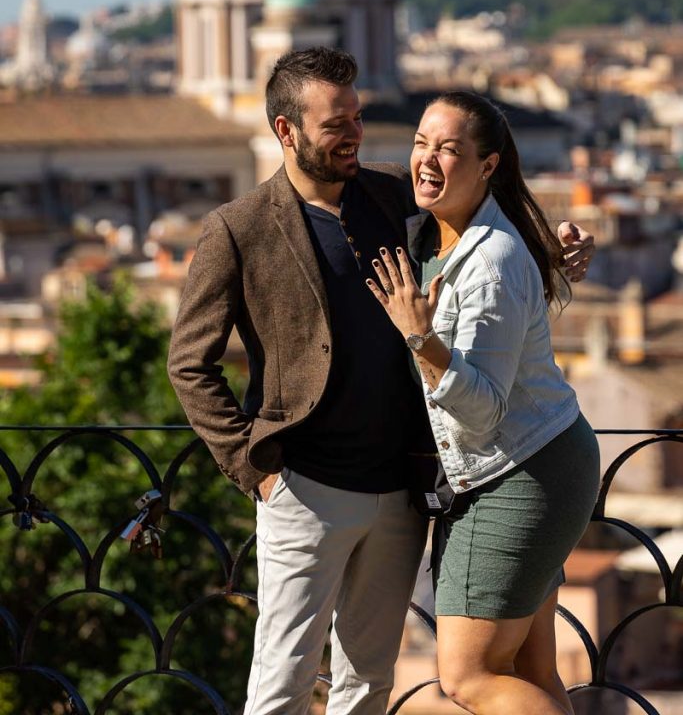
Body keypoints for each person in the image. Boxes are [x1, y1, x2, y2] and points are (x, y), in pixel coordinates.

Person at [167, 49, 595, 715]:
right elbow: (189, 364)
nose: (354, 135)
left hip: (400, 488)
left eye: (357, 118)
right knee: (281, 680)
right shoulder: (237, 229)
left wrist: (552, 248)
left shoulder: (389, 192)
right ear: (287, 131)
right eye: (336, 124)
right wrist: (254, 467)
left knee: (367, 680)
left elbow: (476, 214)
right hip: (305, 489)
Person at [366, 90, 600, 715]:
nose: (427, 160)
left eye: (448, 149)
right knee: (530, 667)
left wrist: (422, 339)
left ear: (489, 165)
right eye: (421, 143)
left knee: (466, 677)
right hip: (542, 460)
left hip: (515, 474)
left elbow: (482, 410)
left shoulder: (489, 261)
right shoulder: (436, 229)